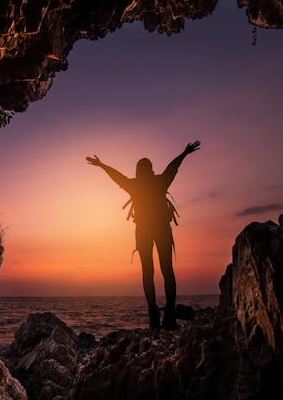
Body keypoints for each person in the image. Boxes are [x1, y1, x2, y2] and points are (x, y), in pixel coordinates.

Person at [86, 141, 201, 329]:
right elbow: (173, 167)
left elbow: (116, 176)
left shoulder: (134, 185)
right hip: (162, 230)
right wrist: (184, 153)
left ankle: (153, 317)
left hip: (143, 232)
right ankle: (169, 317)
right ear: (151, 170)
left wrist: (102, 165)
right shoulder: (160, 181)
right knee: (167, 271)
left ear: (138, 171)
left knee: (148, 273)